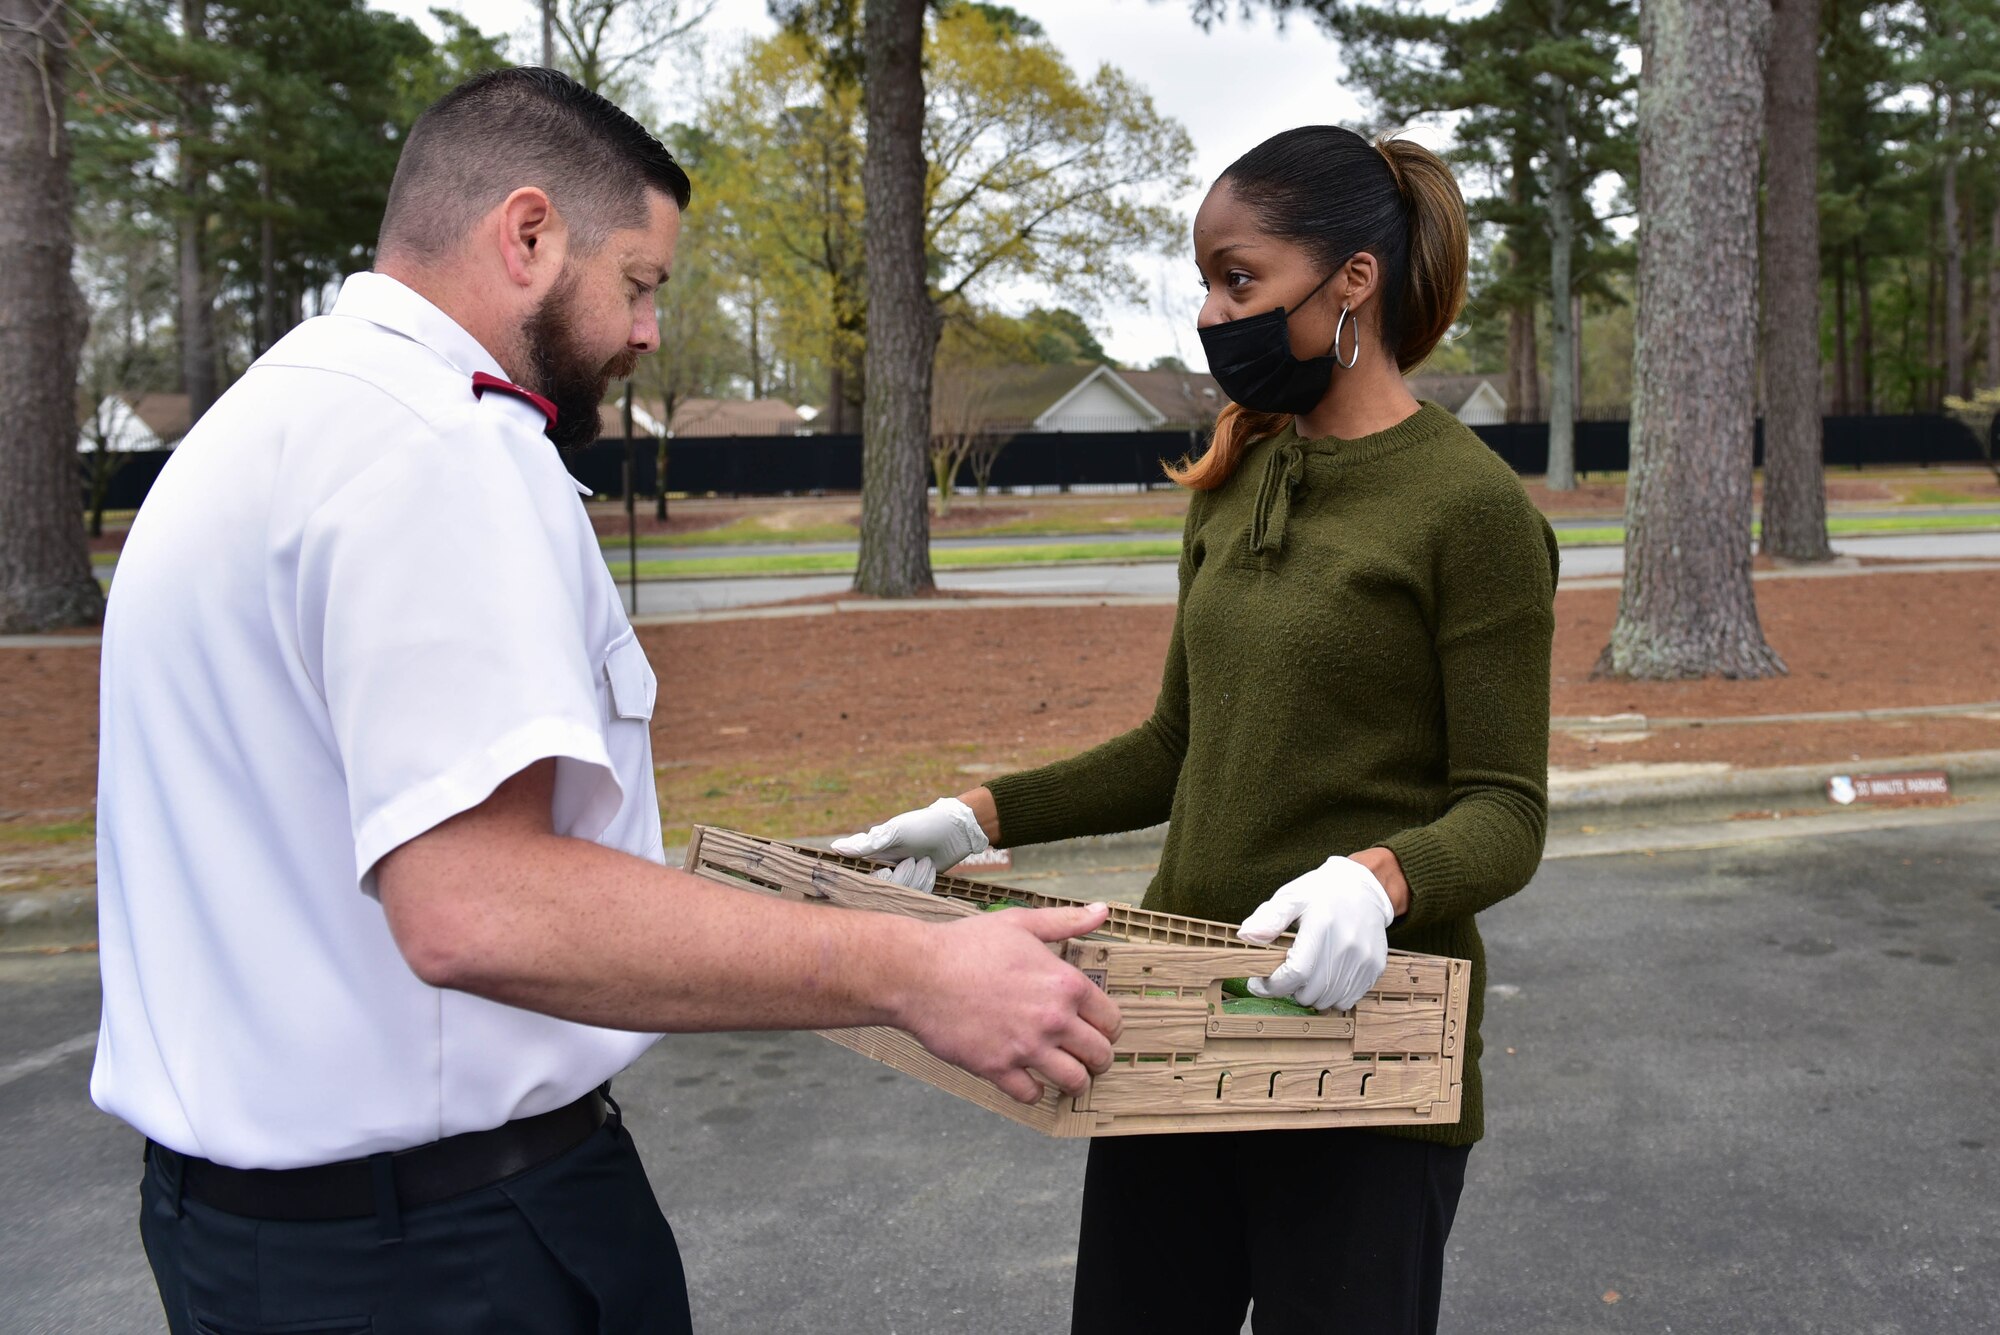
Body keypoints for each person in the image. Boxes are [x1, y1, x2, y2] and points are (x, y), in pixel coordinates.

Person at [92, 67, 1120, 1335]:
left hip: (243, 1240)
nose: (645, 333)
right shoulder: (441, 448)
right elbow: (475, 906)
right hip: (445, 1255)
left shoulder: (266, 425)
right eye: (637, 285)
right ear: (527, 234)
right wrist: (912, 970)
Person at [835, 125, 1558, 1335]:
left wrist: (1379, 881)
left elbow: (1506, 809)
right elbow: (1176, 746)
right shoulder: (1232, 481)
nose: (1213, 315)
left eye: (1239, 280)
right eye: (1205, 284)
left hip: (1366, 1060)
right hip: (1171, 1028)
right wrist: (974, 815)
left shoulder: (1471, 509)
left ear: (1351, 283)